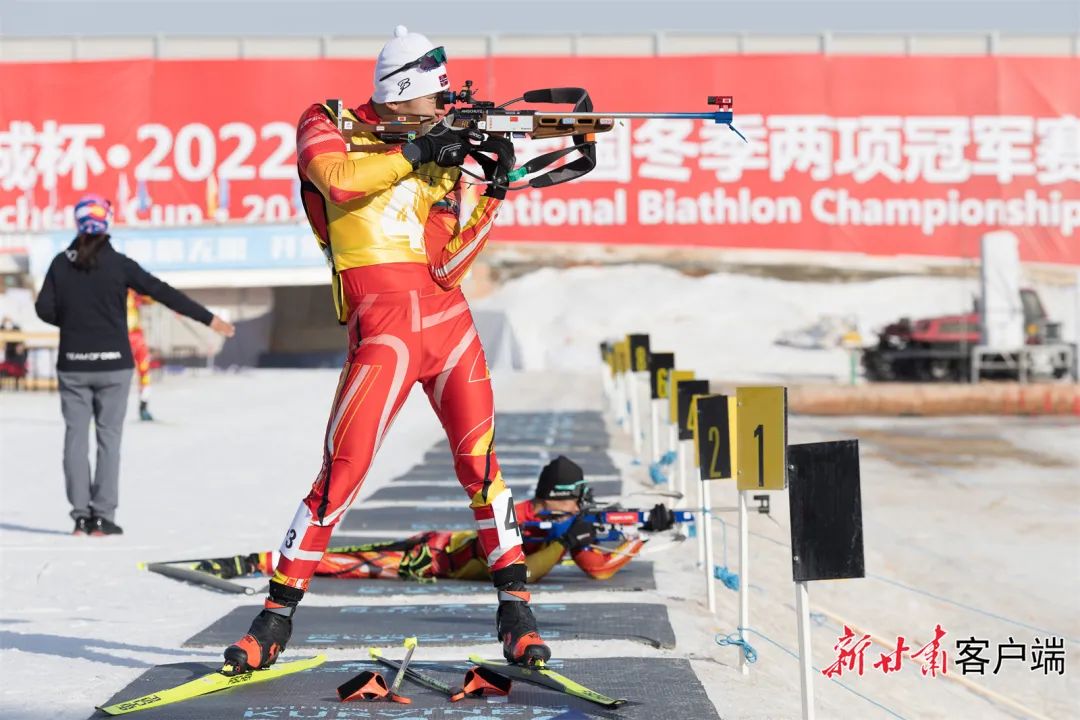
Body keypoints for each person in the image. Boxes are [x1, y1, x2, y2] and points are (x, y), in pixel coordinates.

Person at [222, 25, 537, 675]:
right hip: (383, 329)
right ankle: (273, 620)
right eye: (435, 98)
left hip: (449, 323)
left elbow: (450, 266)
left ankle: (517, 614)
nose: (444, 108)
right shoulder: (326, 121)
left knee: (481, 467)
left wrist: (493, 193)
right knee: (341, 474)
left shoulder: (439, 151)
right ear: (402, 94)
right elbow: (338, 182)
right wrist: (418, 149)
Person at [34, 195, 235, 536]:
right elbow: (163, 292)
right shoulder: (119, 264)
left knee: (75, 439)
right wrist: (209, 319)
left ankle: (80, 518)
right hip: (114, 366)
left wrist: (73, 322)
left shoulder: (60, 264)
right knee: (109, 440)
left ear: (78, 223)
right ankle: (103, 518)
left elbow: (44, 309)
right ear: (106, 223)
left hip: (74, 364)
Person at [194, 456, 676, 583]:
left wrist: (638, 529)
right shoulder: (524, 517)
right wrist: (574, 542)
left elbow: (594, 559)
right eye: (579, 500)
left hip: (446, 546)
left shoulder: (557, 520)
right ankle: (261, 563)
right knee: (347, 562)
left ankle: (267, 562)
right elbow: (537, 571)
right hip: (434, 558)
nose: (585, 505)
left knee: (348, 558)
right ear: (562, 499)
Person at [126, 290, 155, 421]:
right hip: (116, 337)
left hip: (136, 337)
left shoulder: (134, 293)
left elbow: (152, 298)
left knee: (145, 371)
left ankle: (144, 406)